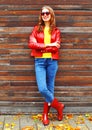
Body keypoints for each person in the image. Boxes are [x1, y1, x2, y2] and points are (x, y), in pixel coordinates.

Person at [28, 5, 64, 125]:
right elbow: (32, 44)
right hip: (39, 62)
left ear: (51, 14)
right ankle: (58, 106)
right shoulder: (36, 29)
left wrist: (43, 47)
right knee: (42, 89)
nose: (44, 15)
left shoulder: (56, 31)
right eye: (43, 13)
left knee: (50, 89)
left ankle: (45, 115)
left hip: (52, 61)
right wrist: (48, 45)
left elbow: (56, 48)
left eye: (47, 13)